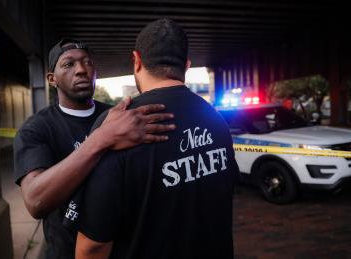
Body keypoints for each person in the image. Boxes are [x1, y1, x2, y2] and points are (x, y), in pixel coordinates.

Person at [64, 19, 239, 259]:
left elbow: (93, 246)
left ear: (136, 60)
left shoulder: (118, 125)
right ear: (186, 66)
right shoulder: (215, 119)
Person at [14, 38, 176, 258]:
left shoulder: (119, 116)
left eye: (87, 63)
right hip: (66, 251)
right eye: (68, 64)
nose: (81, 70)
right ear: (52, 79)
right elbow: (35, 200)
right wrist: (101, 139)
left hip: (123, 247)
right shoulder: (36, 128)